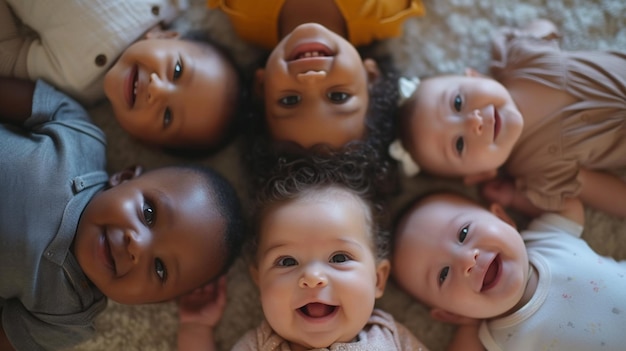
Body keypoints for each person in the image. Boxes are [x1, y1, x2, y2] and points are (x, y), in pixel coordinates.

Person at [0, 77, 246, 351]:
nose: (137, 246)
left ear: (153, 302)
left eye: (160, 268)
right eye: (149, 213)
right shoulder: (80, 139)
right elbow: (21, 98)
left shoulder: (67, 318)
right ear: (125, 177)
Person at [177, 156, 430, 350]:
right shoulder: (260, 345)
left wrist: (466, 328)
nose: (312, 277)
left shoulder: (389, 337)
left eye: (339, 258)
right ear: (259, 281)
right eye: (286, 261)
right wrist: (196, 329)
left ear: (377, 279)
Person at [391, 19, 626, 218]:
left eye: (458, 103)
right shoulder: (540, 173)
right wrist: (514, 197)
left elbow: (544, 25)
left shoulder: (521, 60)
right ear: (480, 174)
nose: (474, 122)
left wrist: (527, 35)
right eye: (459, 144)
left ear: (476, 76)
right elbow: (615, 198)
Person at [391, 190, 626, 351]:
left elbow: (569, 203)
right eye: (443, 274)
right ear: (451, 313)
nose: (467, 260)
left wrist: (514, 196)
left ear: (502, 218)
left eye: (463, 233)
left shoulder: (546, 237)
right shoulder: (490, 340)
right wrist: (468, 326)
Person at [0, 0, 245, 151]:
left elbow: (9, 54)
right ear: (167, 37)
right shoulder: (171, 3)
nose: (157, 90)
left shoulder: (74, 83)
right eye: (177, 71)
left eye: (168, 116)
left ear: (141, 140)